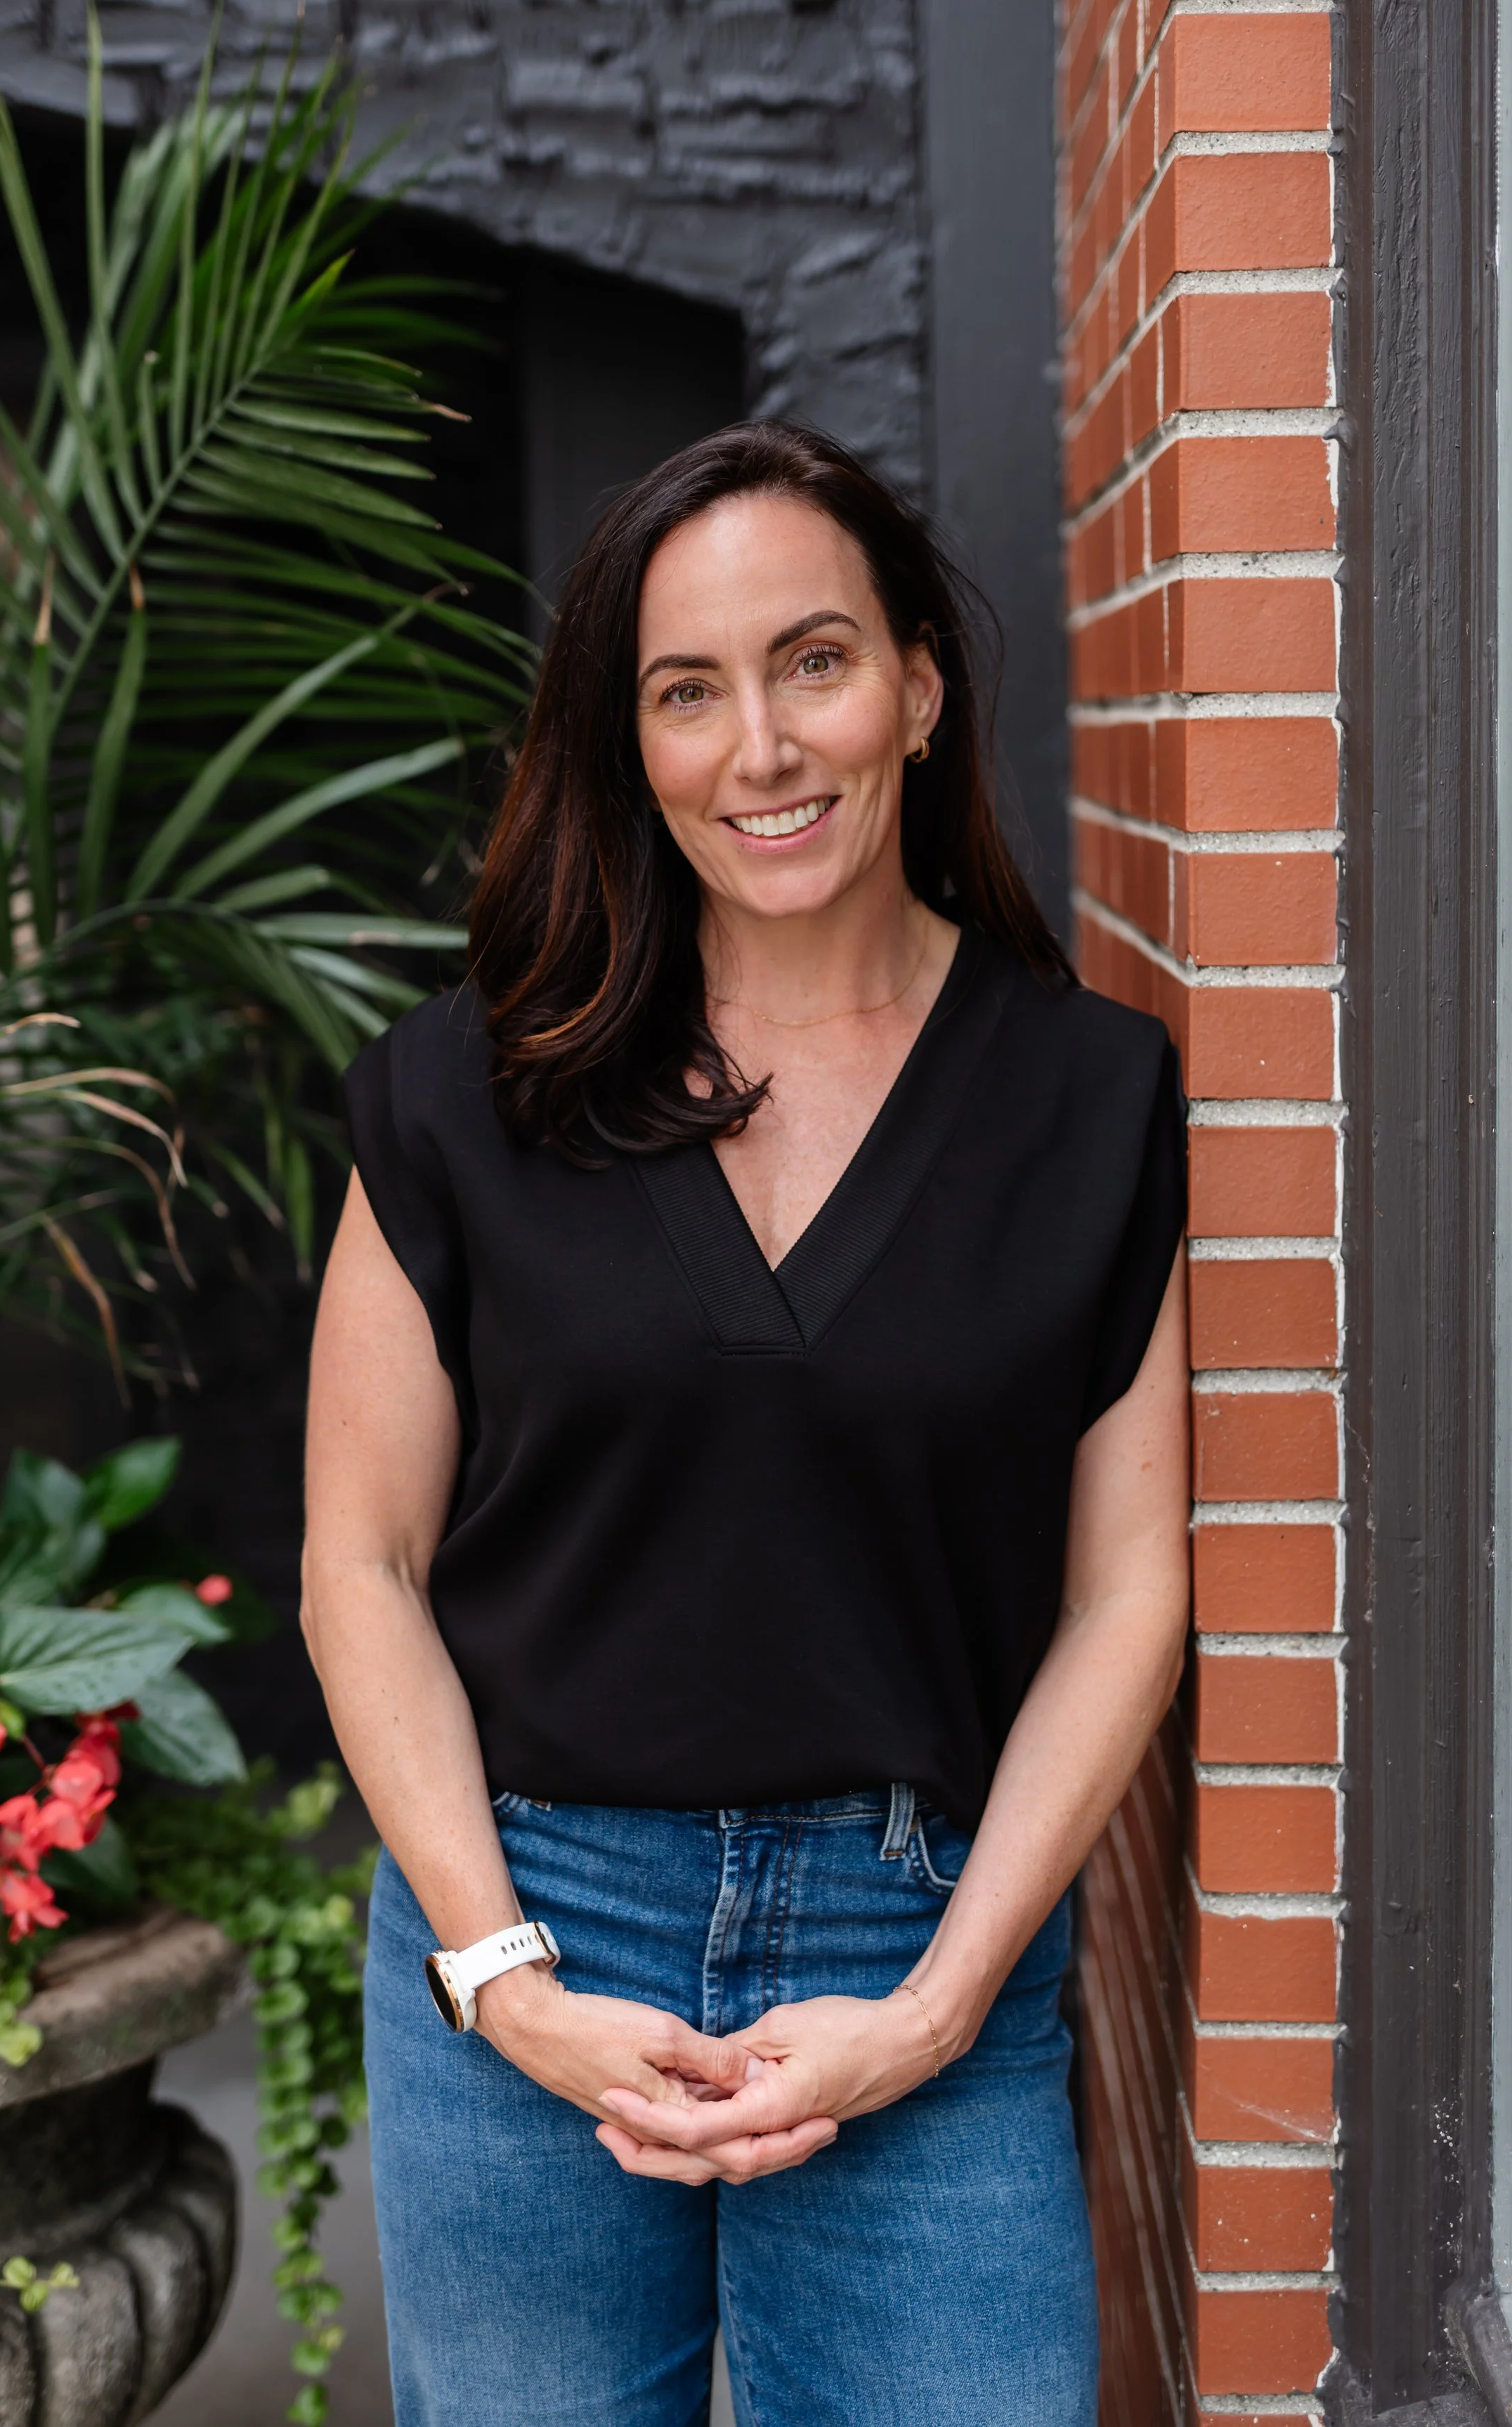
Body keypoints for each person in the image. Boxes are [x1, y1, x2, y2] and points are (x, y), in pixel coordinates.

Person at [301, 420, 1190, 2427]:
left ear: (916, 682)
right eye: (684, 693)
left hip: (918, 1934)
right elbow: (357, 1564)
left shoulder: (1086, 1098)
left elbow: (1128, 1592)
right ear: (628, 744)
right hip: (525, 1910)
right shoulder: (467, 1094)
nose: (761, 749)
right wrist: (498, 1976)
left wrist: (943, 2002)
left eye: (812, 661)